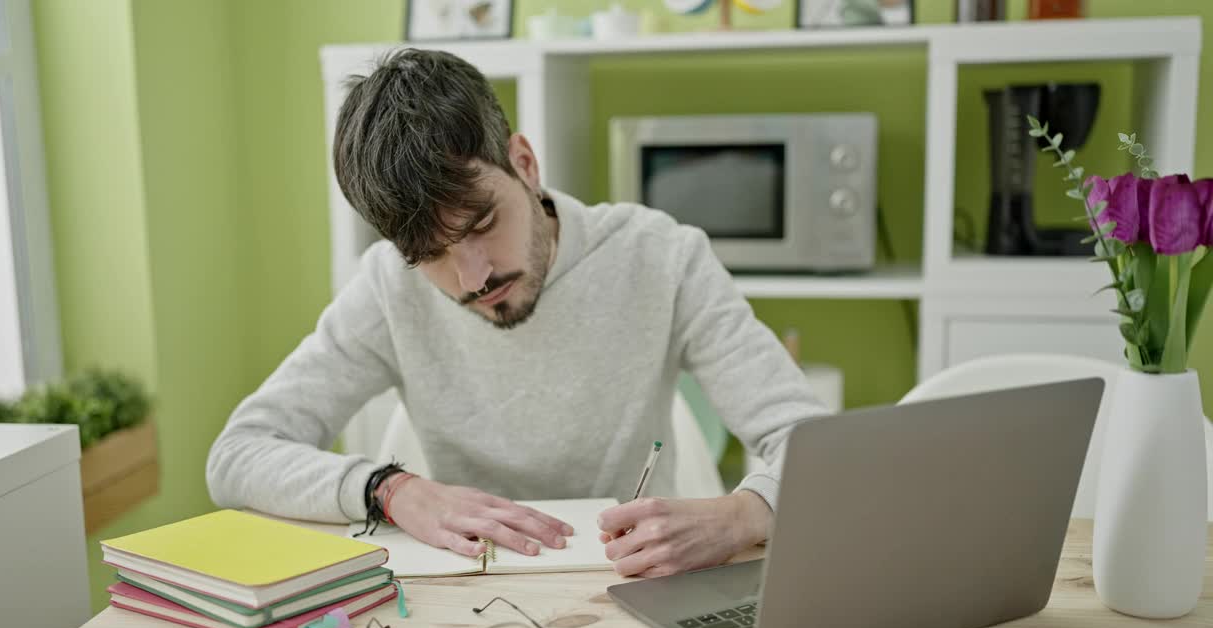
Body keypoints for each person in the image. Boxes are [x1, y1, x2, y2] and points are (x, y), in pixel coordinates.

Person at [206, 48, 829, 579]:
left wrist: (746, 513)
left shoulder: (663, 256)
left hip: (636, 585)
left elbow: (816, 446)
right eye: (432, 255)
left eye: (483, 224)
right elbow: (239, 454)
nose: (473, 278)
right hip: (467, 600)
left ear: (525, 165)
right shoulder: (385, 289)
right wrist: (390, 489)